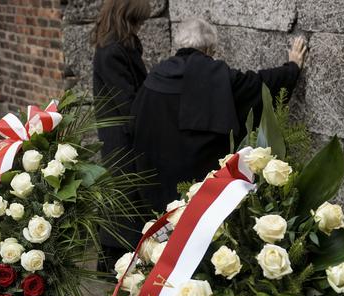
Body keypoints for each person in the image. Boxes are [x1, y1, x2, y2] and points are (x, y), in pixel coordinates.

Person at [130, 19, 307, 214]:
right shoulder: (216, 76)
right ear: (208, 49)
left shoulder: (155, 77)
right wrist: (292, 68)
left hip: (157, 183)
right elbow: (258, 86)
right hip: (201, 192)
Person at [91, 0, 152, 270]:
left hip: (125, 134)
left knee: (127, 201)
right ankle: (116, 265)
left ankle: (123, 262)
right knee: (125, 202)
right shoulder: (112, 52)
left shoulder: (123, 47)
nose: (141, 27)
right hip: (121, 138)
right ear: (127, 19)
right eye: (138, 21)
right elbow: (126, 101)